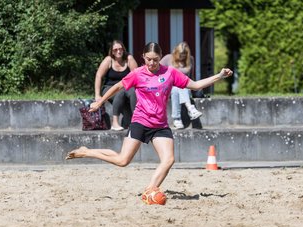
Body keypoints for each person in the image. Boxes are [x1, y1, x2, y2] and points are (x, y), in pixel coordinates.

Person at [66, 42, 232, 204]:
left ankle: (150, 189)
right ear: (143, 57)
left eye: (155, 59)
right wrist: (100, 101)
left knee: (168, 160)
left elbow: (195, 85)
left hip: (160, 125)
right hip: (140, 122)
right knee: (122, 161)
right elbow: (117, 87)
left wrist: (219, 76)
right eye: (148, 59)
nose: (152, 63)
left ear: (161, 57)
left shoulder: (170, 73)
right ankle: (86, 152)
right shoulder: (137, 73)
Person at [95, 40, 138, 131]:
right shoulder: (108, 60)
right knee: (120, 92)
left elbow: (137, 76)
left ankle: (137, 120)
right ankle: (115, 122)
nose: (118, 51)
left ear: (123, 49)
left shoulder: (129, 59)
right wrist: (97, 95)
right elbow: (99, 76)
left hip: (126, 87)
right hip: (109, 88)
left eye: (120, 49)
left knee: (134, 92)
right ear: (112, 51)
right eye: (115, 50)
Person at [160, 42, 202, 129]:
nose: (182, 56)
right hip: (169, 87)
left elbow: (191, 77)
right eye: (180, 54)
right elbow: (157, 69)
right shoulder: (168, 58)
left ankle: (177, 119)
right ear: (176, 52)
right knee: (177, 87)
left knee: (180, 86)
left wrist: (196, 89)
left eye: (184, 55)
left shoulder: (190, 59)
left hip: (185, 88)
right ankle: (190, 108)